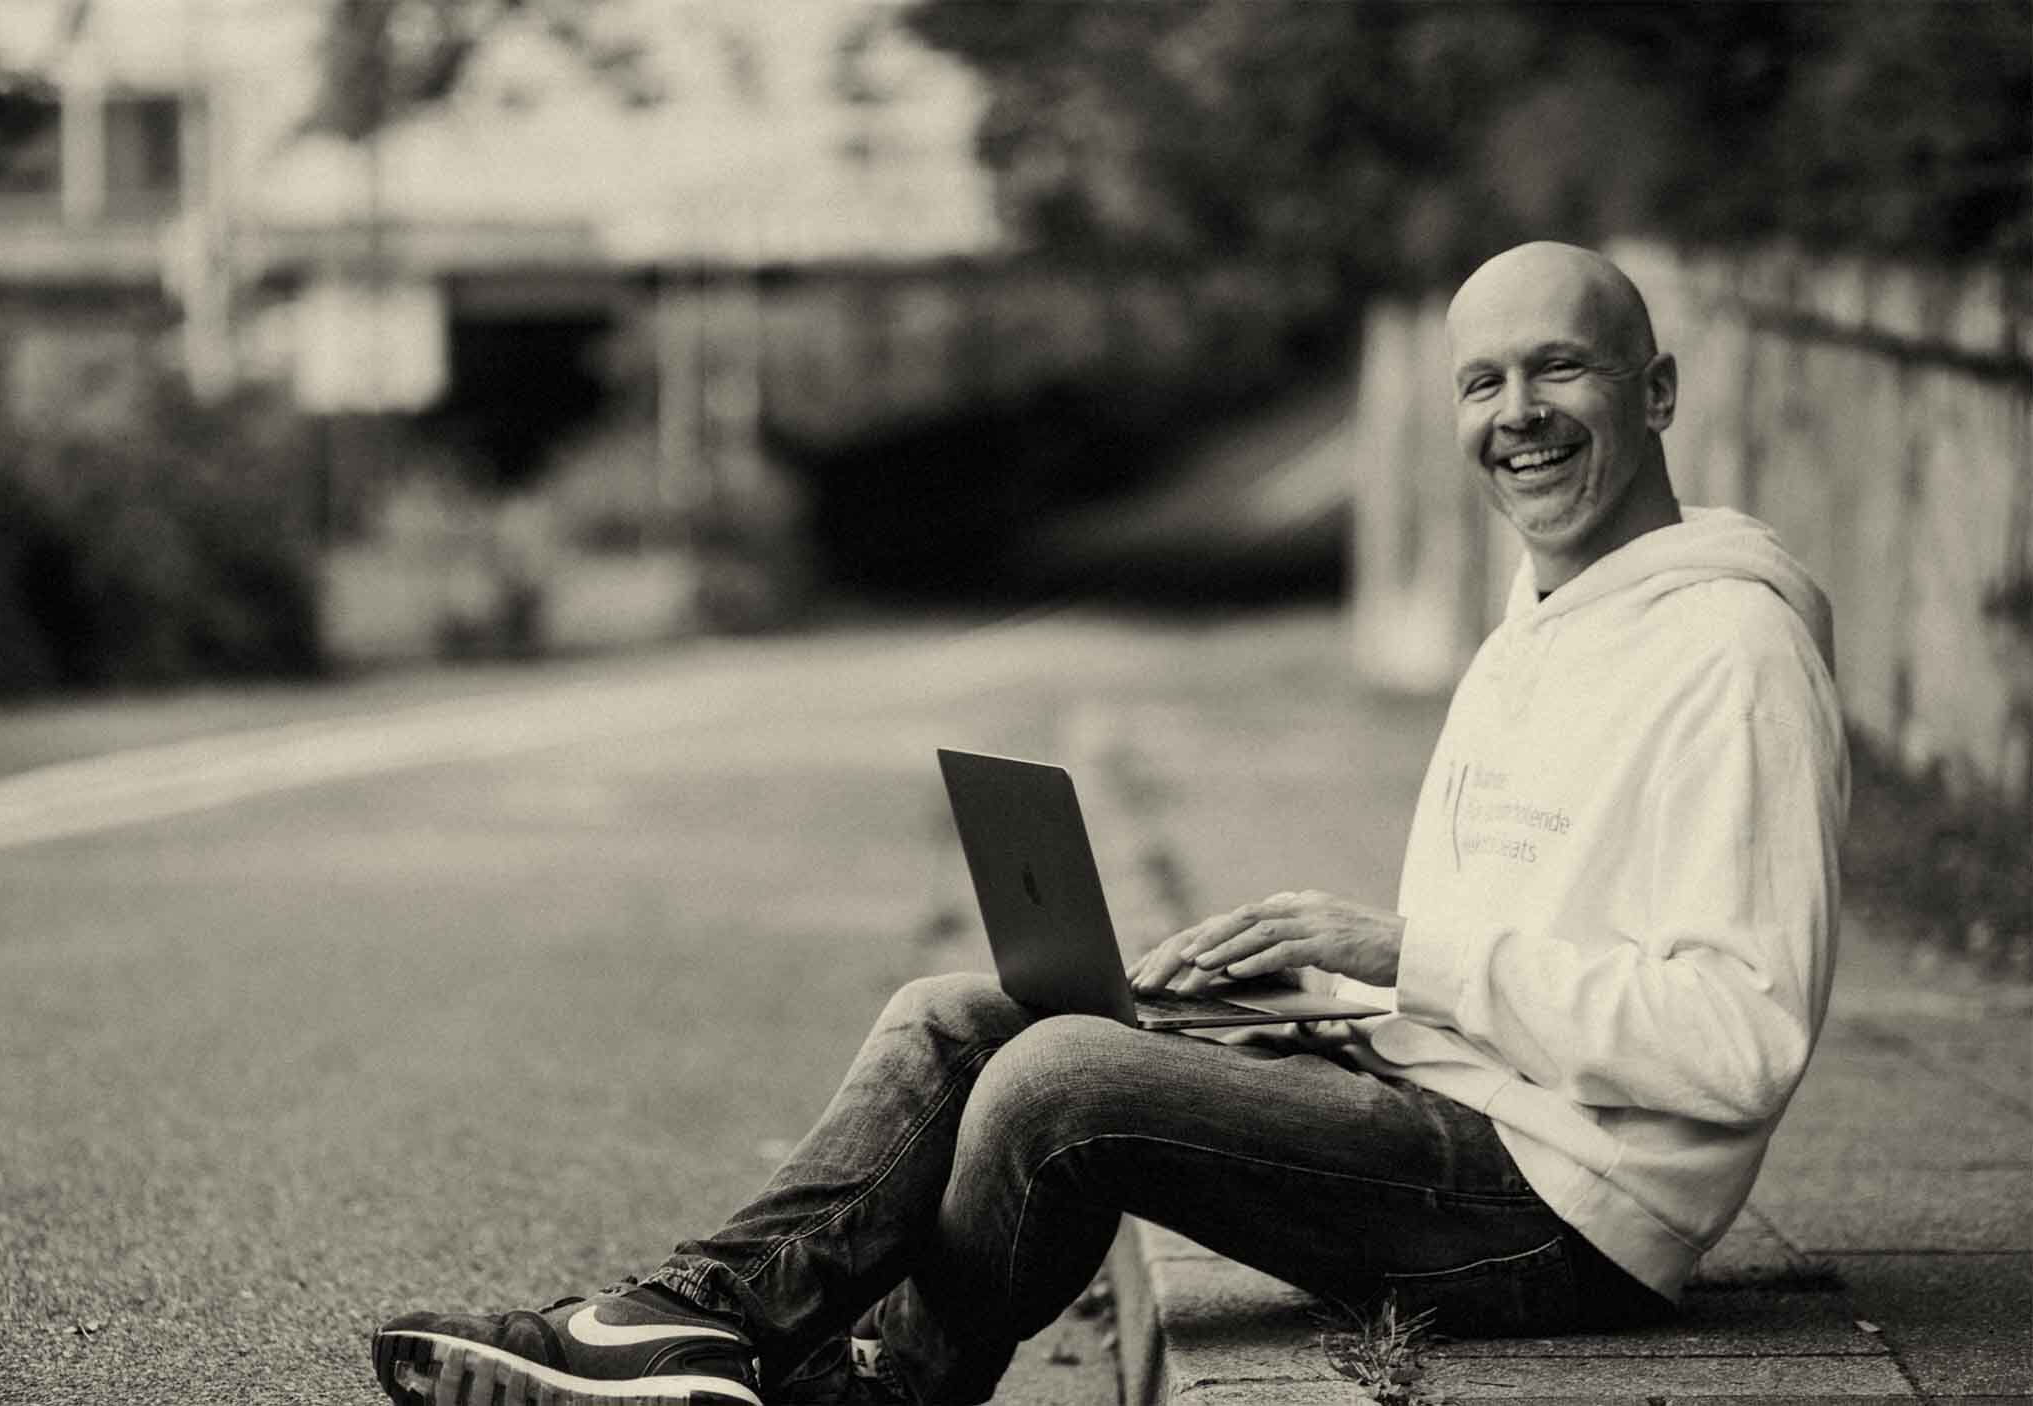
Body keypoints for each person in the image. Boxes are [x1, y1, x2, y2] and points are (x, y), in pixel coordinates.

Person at [369, 241, 1848, 1406]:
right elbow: (1505, 960)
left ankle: (863, 1387)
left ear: (1654, 392)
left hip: (1565, 1216)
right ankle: (693, 1313)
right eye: (1480, 382)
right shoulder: (1543, 618)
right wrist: (1306, 994)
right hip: (1461, 1112)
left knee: (1059, 1083)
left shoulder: (1730, 652)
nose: (1515, 414)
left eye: (1559, 370)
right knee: (964, 1009)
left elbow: (1742, 1035)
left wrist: (1407, 951)